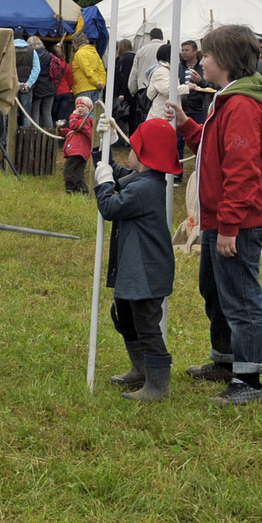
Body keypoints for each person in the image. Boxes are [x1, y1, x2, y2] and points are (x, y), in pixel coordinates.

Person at [165, 24, 262, 406]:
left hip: (238, 220)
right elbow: (213, 149)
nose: (203, 60)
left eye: (209, 55)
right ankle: (227, 359)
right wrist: (186, 124)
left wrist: (230, 225)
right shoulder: (227, 101)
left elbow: (242, 168)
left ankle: (249, 380)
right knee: (215, 289)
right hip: (221, 217)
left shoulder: (243, 106)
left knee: (241, 296)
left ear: (227, 62)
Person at [94, 118, 180, 401]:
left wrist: (104, 184)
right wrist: (102, 150)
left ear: (144, 155)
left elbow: (110, 206)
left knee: (146, 325)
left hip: (146, 272)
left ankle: (157, 384)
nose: (126, 154)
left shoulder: (145, 189)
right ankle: (140, 369)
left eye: (130, 149)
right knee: (124, 317)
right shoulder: (144, 179)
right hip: (135, 269)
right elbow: (120, 174)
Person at [64, 95, 94, 194]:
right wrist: (63, 131)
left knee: (69, 170)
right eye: (77, 107)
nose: (79, 109)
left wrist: (73, 115)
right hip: (77, 149)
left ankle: (70, 189)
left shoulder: (87, 120)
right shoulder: (80, 119)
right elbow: (74, 130)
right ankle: (83, 191)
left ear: (89, 108)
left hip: (79, 150)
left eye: (82, 106)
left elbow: (75, 126)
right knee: (78, 172)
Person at [28, 36, 58, 132]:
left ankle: (36, 133)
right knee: (47, 112)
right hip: (49, 86)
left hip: (37, 86)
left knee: (35, 112)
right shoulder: (49, 55)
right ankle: (50, 136)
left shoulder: (32, 55)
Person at [69, 30, 106, 104]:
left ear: (77, 42)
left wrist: (97, 83)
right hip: (95, 88)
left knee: (84, 112)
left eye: (73, 43)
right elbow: (101, 69)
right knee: (93, 112)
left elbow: (87, 71)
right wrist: (101, 83)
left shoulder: (80, 53)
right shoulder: (94, 52)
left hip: (83, 87)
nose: (72, 45)